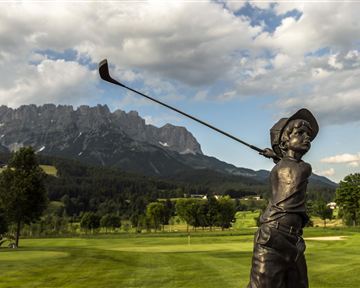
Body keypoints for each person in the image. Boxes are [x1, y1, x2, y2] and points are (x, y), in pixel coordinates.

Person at [248, 108, 319, 288]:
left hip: (292, 239)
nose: (307, 138)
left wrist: (276, 155)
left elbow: (287, 161)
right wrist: (277, 156)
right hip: (273, 238)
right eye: (300, 133)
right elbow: (290, 164)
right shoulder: (301, 168)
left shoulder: (283, 165)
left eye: (308, 135)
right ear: (285, 141)